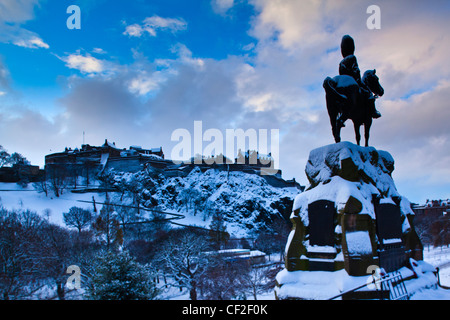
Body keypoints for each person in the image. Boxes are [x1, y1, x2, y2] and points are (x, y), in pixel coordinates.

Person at [337, 35, 381, 128]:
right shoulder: (353, 58)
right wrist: (359, 81)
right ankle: (373, 111)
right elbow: (356, 71)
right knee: (369, 94)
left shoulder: (341, 62)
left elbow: (341, 74)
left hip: (343, 82)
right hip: (354, 81)